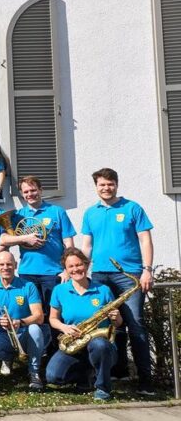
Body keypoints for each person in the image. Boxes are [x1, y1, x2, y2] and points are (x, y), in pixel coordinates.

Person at [81, 167, 155, 395]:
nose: (106, 188)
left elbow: (145, 240)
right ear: (96, 187)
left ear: (117, 185)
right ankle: (116, 372)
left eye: (110, 184)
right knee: (107, 326)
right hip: (100, 276)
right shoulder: (90, 213)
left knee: (136, 325)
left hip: (130, 276)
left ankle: (145, 382)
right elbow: (87, 245)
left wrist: (147, 270)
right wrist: (82, 271)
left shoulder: (132, 208)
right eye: (102, 184)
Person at [46, 248, 121, 401]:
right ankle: (86, 374)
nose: (75, 269)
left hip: (101, 344)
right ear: (66, 270)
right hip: (75, 343)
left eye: (79, 265)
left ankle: (103, 388)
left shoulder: (103, 290)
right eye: (71, 267)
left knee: (100, 345)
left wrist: (116, 317)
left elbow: (118, 323)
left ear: (86, 265)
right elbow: (53, 319)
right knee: (53, 376)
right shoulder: (59, 290)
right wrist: (64, 327)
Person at [0, 176, 76, 316]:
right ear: (22, 194)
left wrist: (67, 270)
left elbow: (69, 244)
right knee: (31, 314)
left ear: (41, 190)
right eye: (26, 192)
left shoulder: (57, 211)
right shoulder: (18, 215)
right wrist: (26, 238)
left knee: (54, 313)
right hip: (27, 272)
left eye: (33, 190)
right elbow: (3, 240)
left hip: (53, 272)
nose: (30, 194)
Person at [0, 251, 49, 390]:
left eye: (9, 264)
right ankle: (8, 358)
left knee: (35, 329)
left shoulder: (28, 286)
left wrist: (20, 322)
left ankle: (34, 372)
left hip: (23, 332)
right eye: (2, 264)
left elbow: (39, 316)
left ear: (15, 265)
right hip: (1, 333)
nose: (6, 267)